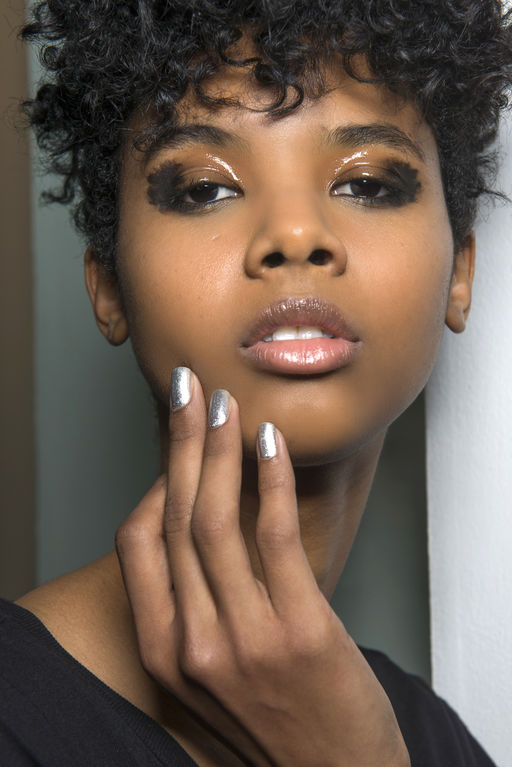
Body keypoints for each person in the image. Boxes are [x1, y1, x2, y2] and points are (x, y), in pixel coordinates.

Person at [1, 1, 510, 764]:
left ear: (460, 272)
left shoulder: (432, 741)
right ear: (108, 284)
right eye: (204, 188)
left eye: (368, 183)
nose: (295, 235)